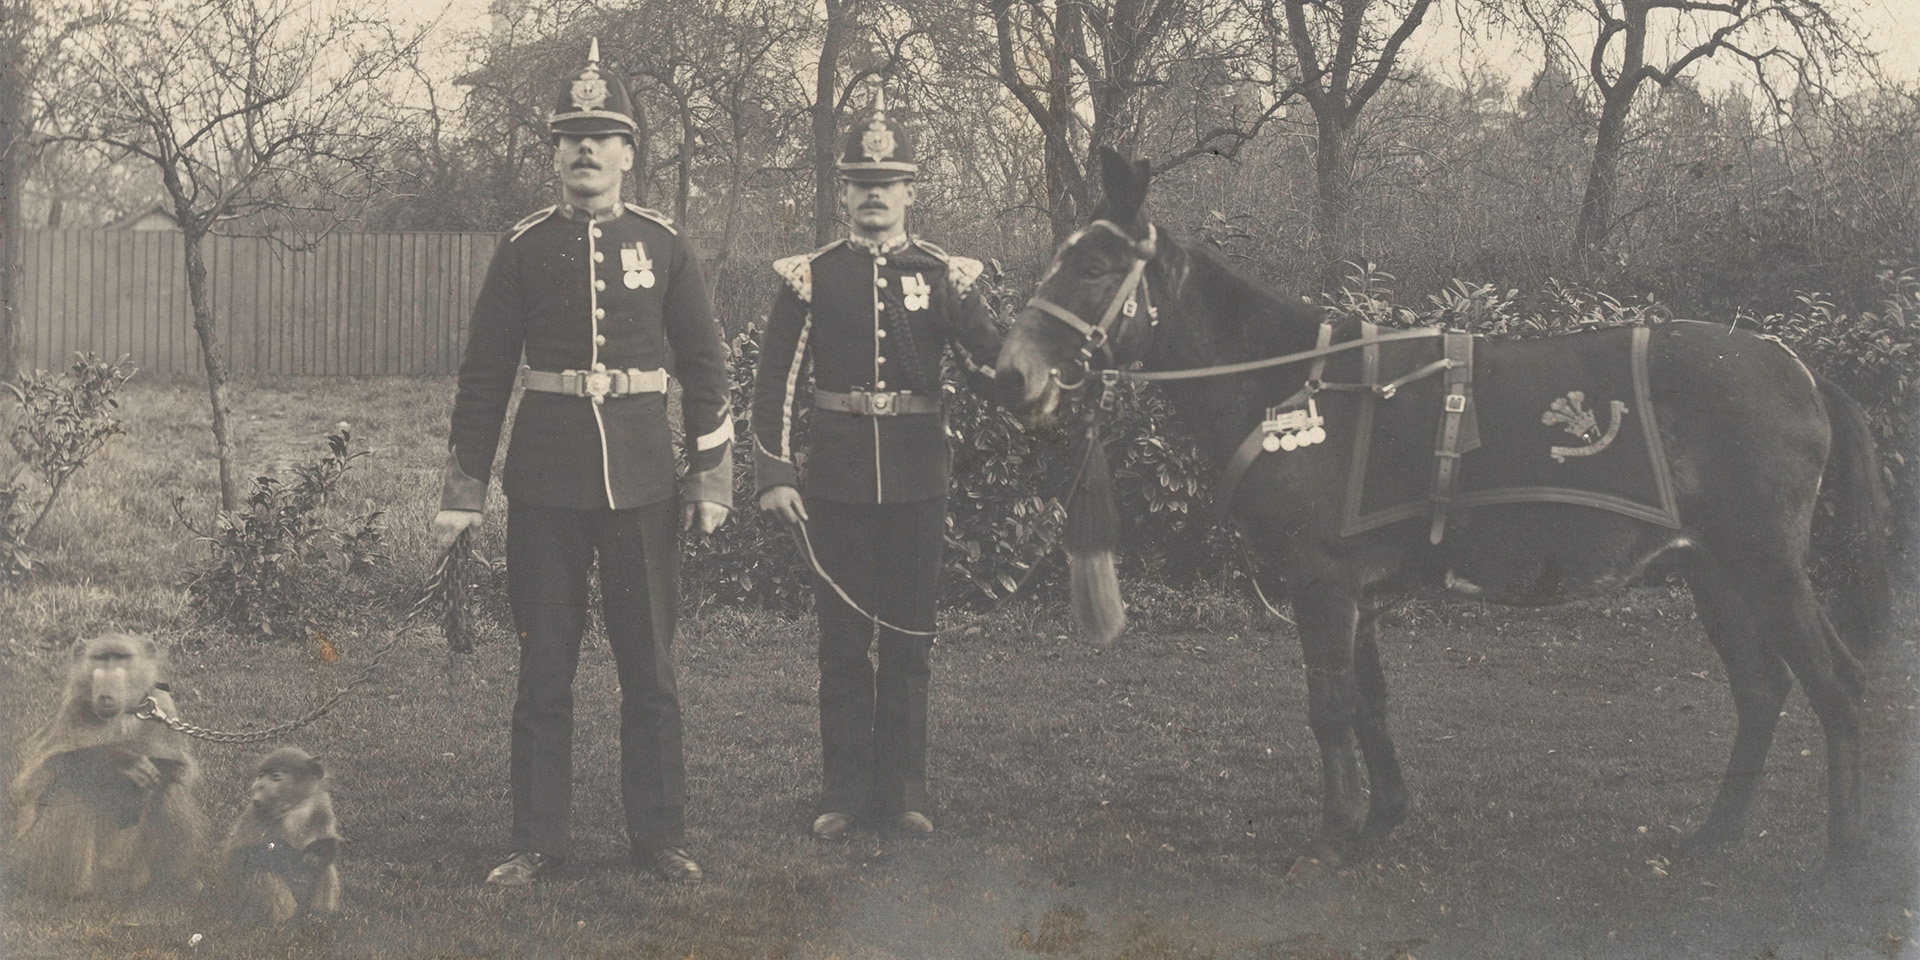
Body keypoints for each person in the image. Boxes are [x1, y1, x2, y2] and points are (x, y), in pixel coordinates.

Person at [431, 39, 731, 886]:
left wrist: (709, 476)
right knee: (544, 663)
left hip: (643, 478)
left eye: (603, 135)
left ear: (630, 152)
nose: (586, 150)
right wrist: (464, 490)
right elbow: (485, 374)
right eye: (571, 136)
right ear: (555, 152)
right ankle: (537, 842)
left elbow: (707, 368)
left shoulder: (665, 246)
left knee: (652, 669)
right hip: (546, 480)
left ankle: (659, 836)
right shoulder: (524, 246)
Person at [752, 96, 1002, 840]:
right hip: (836, 480)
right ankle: (844, 789)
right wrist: (776, 472)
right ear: (843, 193)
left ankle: (907, 789)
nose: (873, 194)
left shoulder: (945, 274)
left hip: (920, 477)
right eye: (860, 181)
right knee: (842, 640)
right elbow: (776, 384)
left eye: (886, 182)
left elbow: (995, 364)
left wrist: (1042, 374)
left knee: (910, 637)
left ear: (909, 192)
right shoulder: (812, 276)